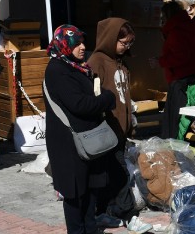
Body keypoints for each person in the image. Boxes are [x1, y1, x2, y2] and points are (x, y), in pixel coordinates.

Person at [44, 24, 116, 234]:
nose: (83, 47)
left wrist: (102, 97)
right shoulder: (58, 69)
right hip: (69, 143)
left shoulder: (78, 66)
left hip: (88, 140)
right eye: (76, 43)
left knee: (90, 190)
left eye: (83, 42)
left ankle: (90, 230)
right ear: (64, 45)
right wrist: (108, 98)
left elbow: (93, 94)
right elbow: (80, 104)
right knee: (75, 195)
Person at [86, 18, 136, 227]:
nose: (126, 47)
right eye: (123, 43)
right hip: (107, 129)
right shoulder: (97, 61)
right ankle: (126, 211)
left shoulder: (120, 61)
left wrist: (131, 120)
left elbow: (124, 93)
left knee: (113, 171)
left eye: (129, 44)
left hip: (121, 129)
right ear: (110, 38)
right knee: (118, 171)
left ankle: (107, 210)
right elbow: (93, 94)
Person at [158, 1, 195, 85]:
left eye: (163, 15)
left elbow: (181, 56)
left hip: (181, 78)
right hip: (194, 73)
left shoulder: (176, 32)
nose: (162, 18)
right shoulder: (189, 26)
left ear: (167, 15)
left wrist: (160, 61)